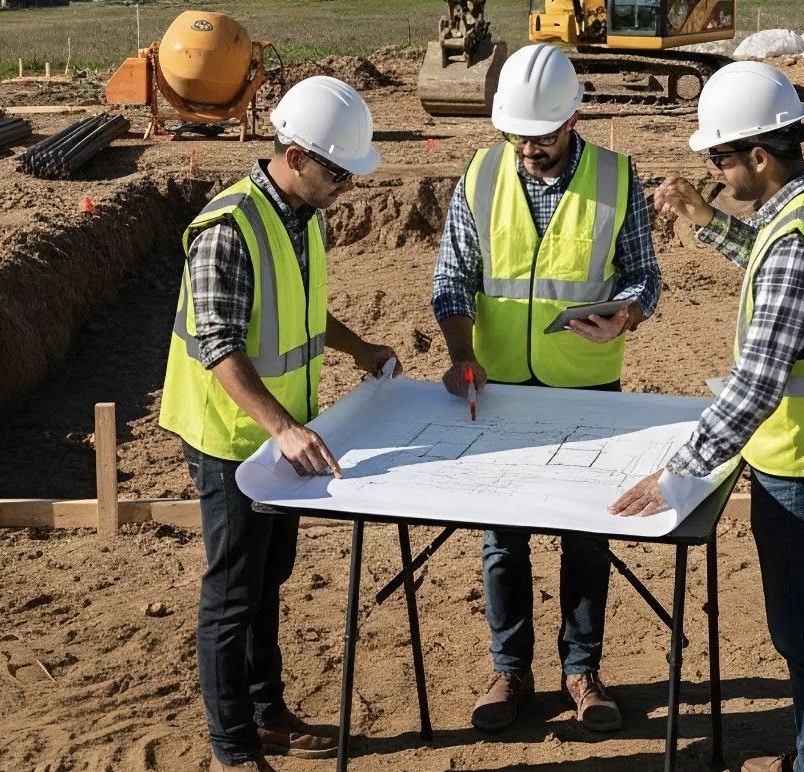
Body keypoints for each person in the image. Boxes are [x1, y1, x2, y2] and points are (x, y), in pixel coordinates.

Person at [611, 62, 804, 772]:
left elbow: (753, 387)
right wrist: (707, 223)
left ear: (757, 155)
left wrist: (678, 472)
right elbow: (770, 262)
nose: (714, 173)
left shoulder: (799, 245)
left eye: (719, 159)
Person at [159, 75, 400, 772]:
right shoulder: (228, 230)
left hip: (276, 437)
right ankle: (234, 750)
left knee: (268, 581)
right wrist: (282, 429)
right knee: (233, 594)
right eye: (338, 173)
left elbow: (301, 310)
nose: (347, 187)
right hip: (230, 439)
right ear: (294, 157)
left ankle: (267, 716)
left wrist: (359, 349)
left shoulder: (302, 216)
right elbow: (220, 346)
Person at [430, 43, 662, 734]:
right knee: (504, 540)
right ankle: (510, 671)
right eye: (517, 136)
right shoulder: (480, 174)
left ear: (574, 119)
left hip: (587, 389)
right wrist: (461, 353)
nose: (529, 149)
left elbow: (644, 277)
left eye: (543, 137)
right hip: (500, 387)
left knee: (586, 537)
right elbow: (452, 277)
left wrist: (626, 313)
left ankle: (582, 672)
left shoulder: (617, 178)